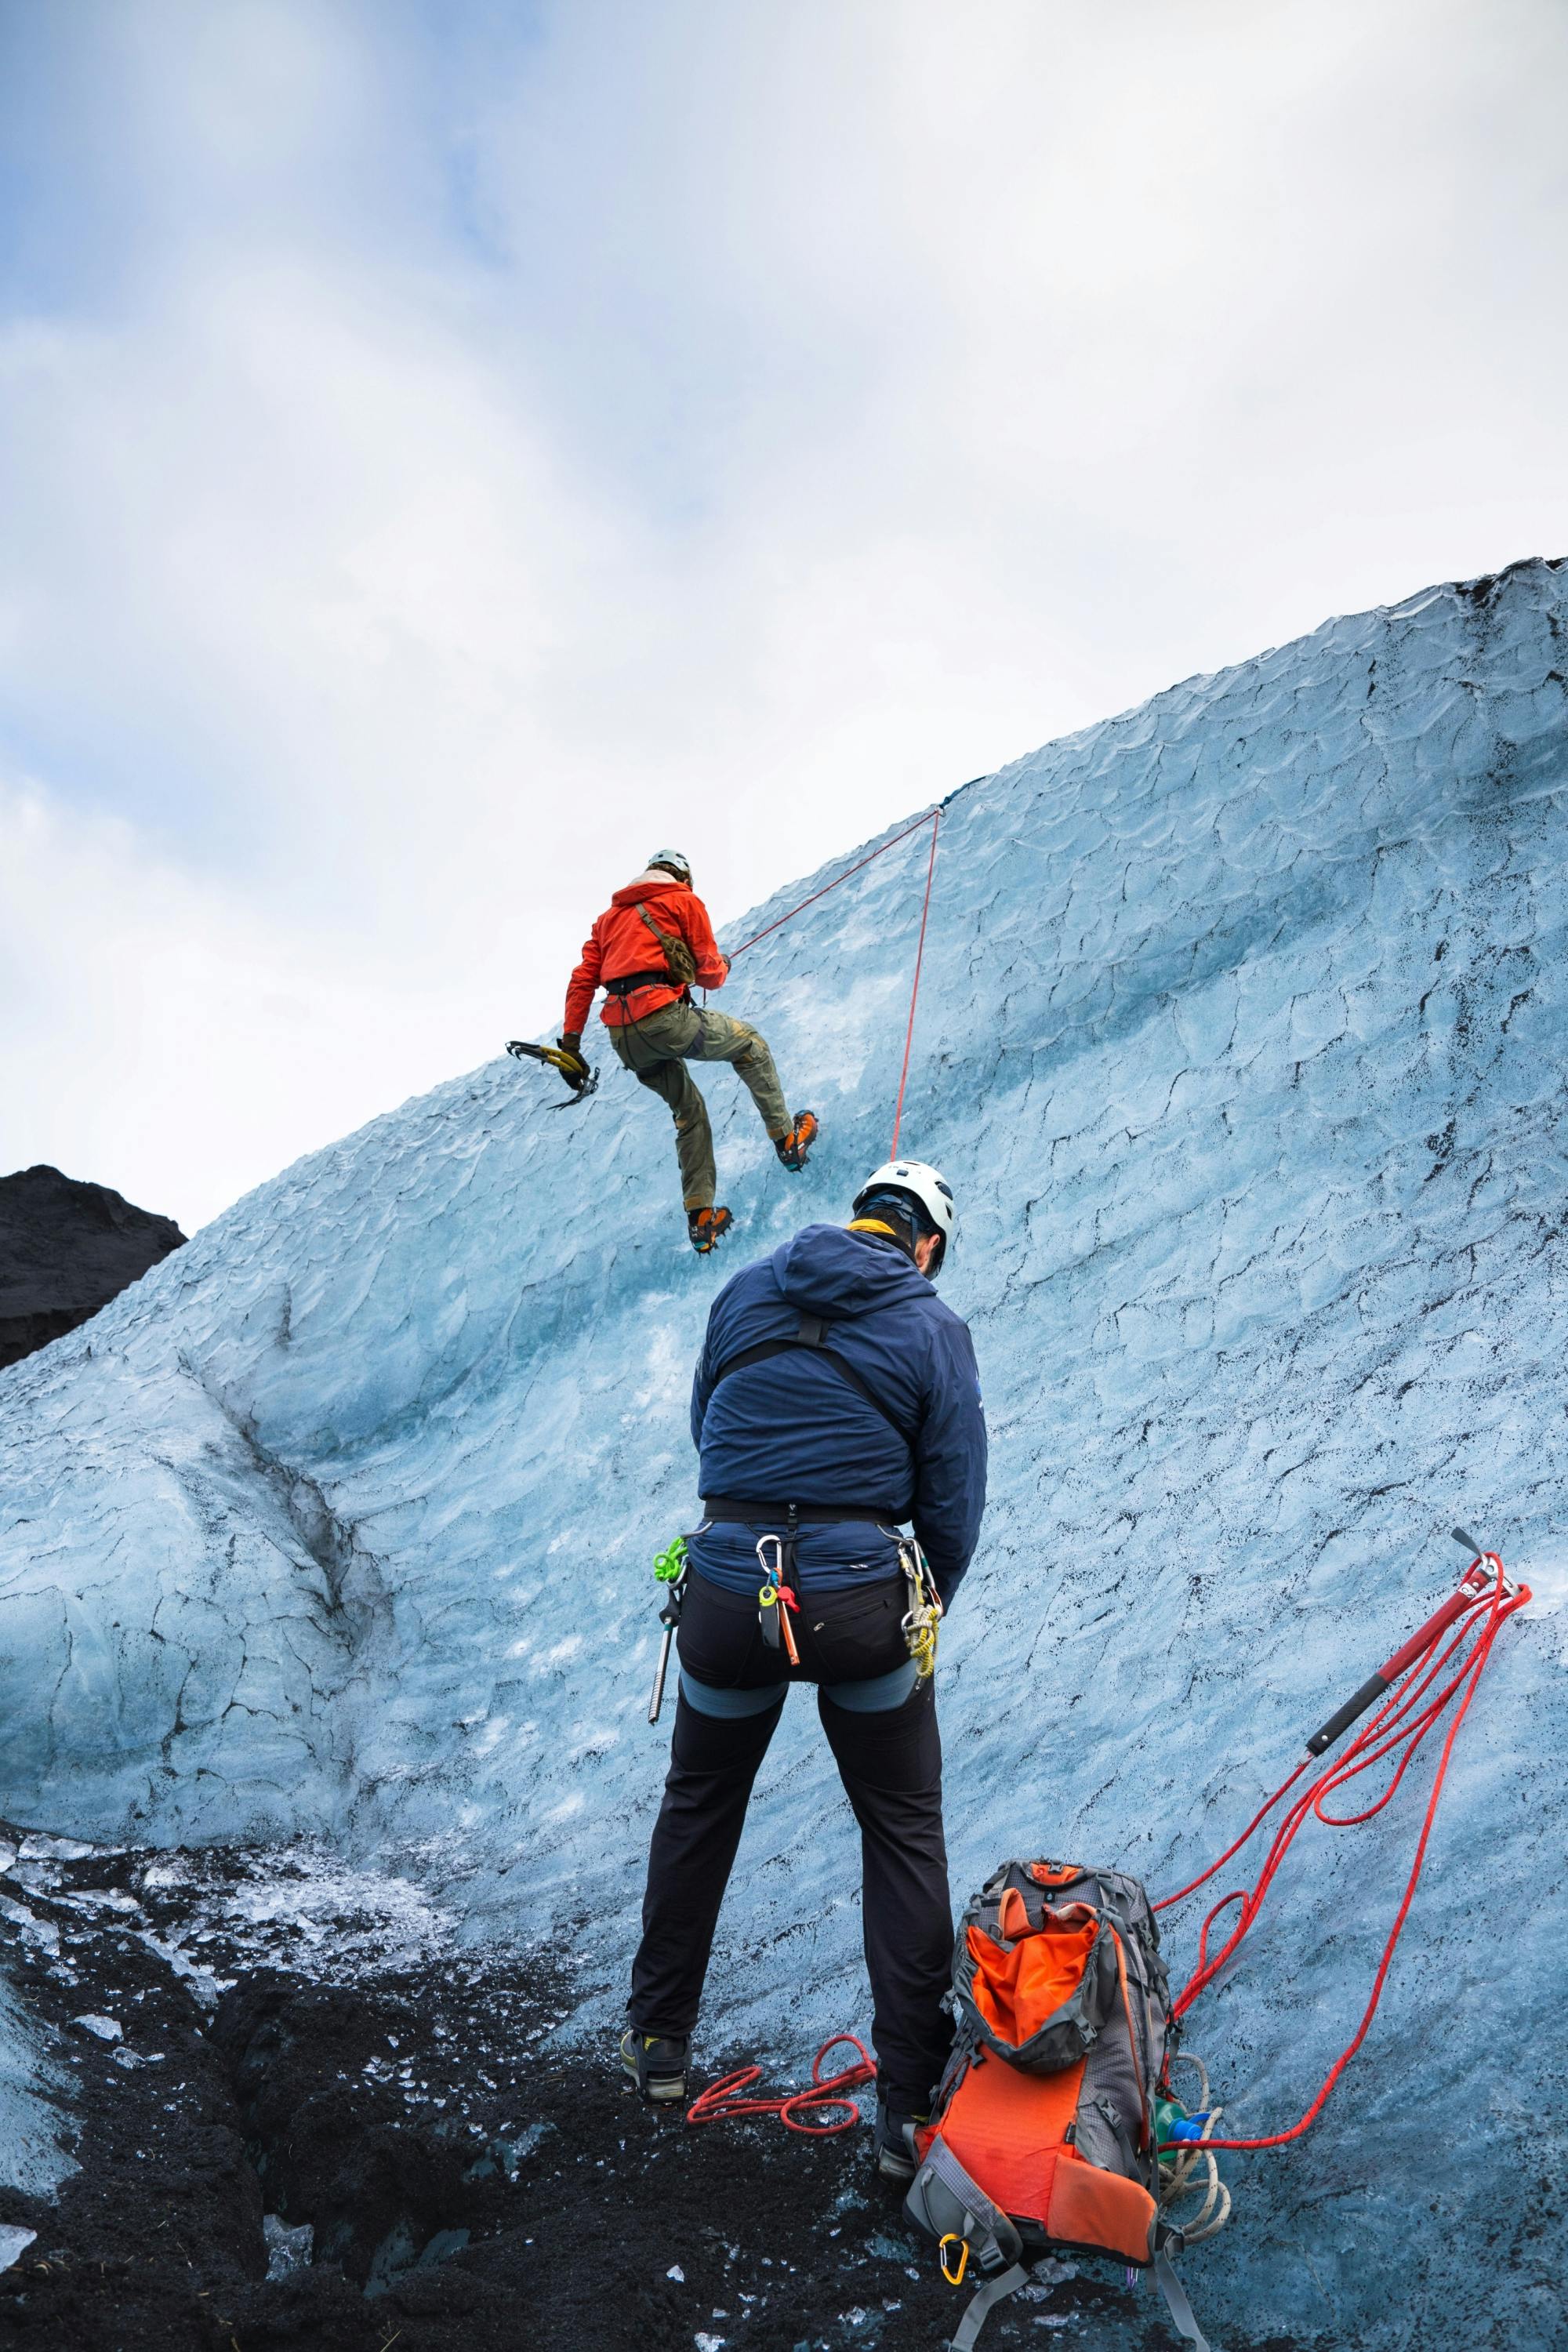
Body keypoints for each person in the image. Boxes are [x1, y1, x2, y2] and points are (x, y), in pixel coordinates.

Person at [621, 1159, 986, 2182]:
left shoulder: (745, 1289)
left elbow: (710, 1431)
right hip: (860, 1598)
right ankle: (906, 2108)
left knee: (700, 1802)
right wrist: (926, 1600)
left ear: (862, 1216)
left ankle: (656, 2048)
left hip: (732, 1588)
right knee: (901, 1828)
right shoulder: (933, 1324)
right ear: (929, 1246)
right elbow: (950, 1495)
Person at [561, 849, 818, 1252]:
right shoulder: (683, 900)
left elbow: (582, 982)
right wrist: (723, 967)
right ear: (683, 878)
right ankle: (788, 1140)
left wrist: (572, 1044)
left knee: (688, 1112)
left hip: (624, 1040)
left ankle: (701, 1217)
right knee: (749, 1044)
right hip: (665, 1020)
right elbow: (710, 973)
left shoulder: (607, 921)